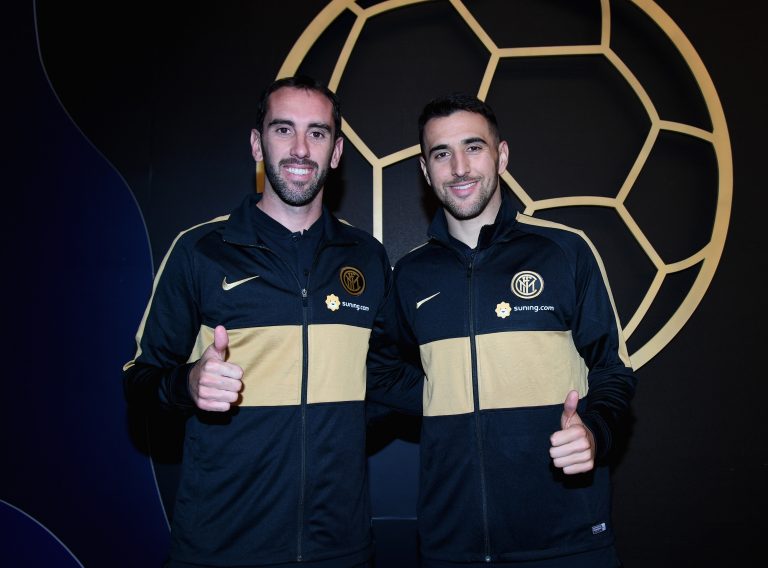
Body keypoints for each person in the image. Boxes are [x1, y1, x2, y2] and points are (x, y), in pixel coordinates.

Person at [122, 75, 419, 568]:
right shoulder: (201, 251)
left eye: (317, 133)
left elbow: (385, 380)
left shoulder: (366, 257)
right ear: (258, 144)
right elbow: (139, 382)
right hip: (221, 548)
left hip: (340, 547)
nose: (300, 148)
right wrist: (188, 383)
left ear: (336, 152)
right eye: (284, 130)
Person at [390, 93, 637, 567]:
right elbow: (385, 373)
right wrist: (449, 396)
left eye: (473, 147)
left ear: (501, 155)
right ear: (425, 170)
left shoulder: (565, 251)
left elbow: (612, 370)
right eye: (441, 154)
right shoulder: (409, 275)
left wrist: (594, 430)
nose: (459, 167)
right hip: (452, 544)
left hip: (566, 538)